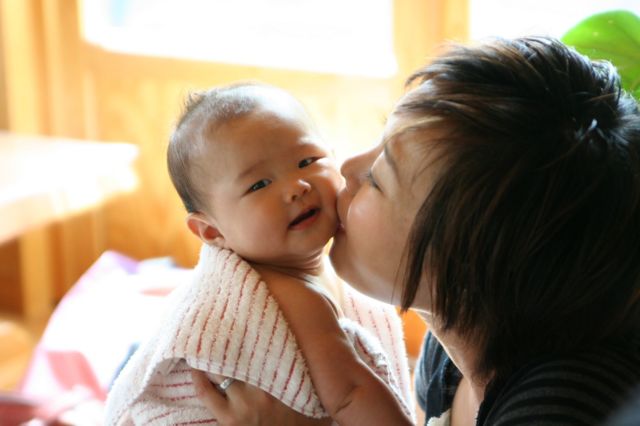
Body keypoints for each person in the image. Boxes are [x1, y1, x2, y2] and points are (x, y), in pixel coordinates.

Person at [190, 36, 640, 425]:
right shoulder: (451, 354)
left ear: (463, 258)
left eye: (379, 178)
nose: (347, 168)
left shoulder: (565, 407)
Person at [105, 83, 414, 425]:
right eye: (259, 185)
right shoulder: (291, 296)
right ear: (212, 232)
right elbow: (350, 393)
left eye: (307, 161)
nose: (297, 187)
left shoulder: (325, 271)